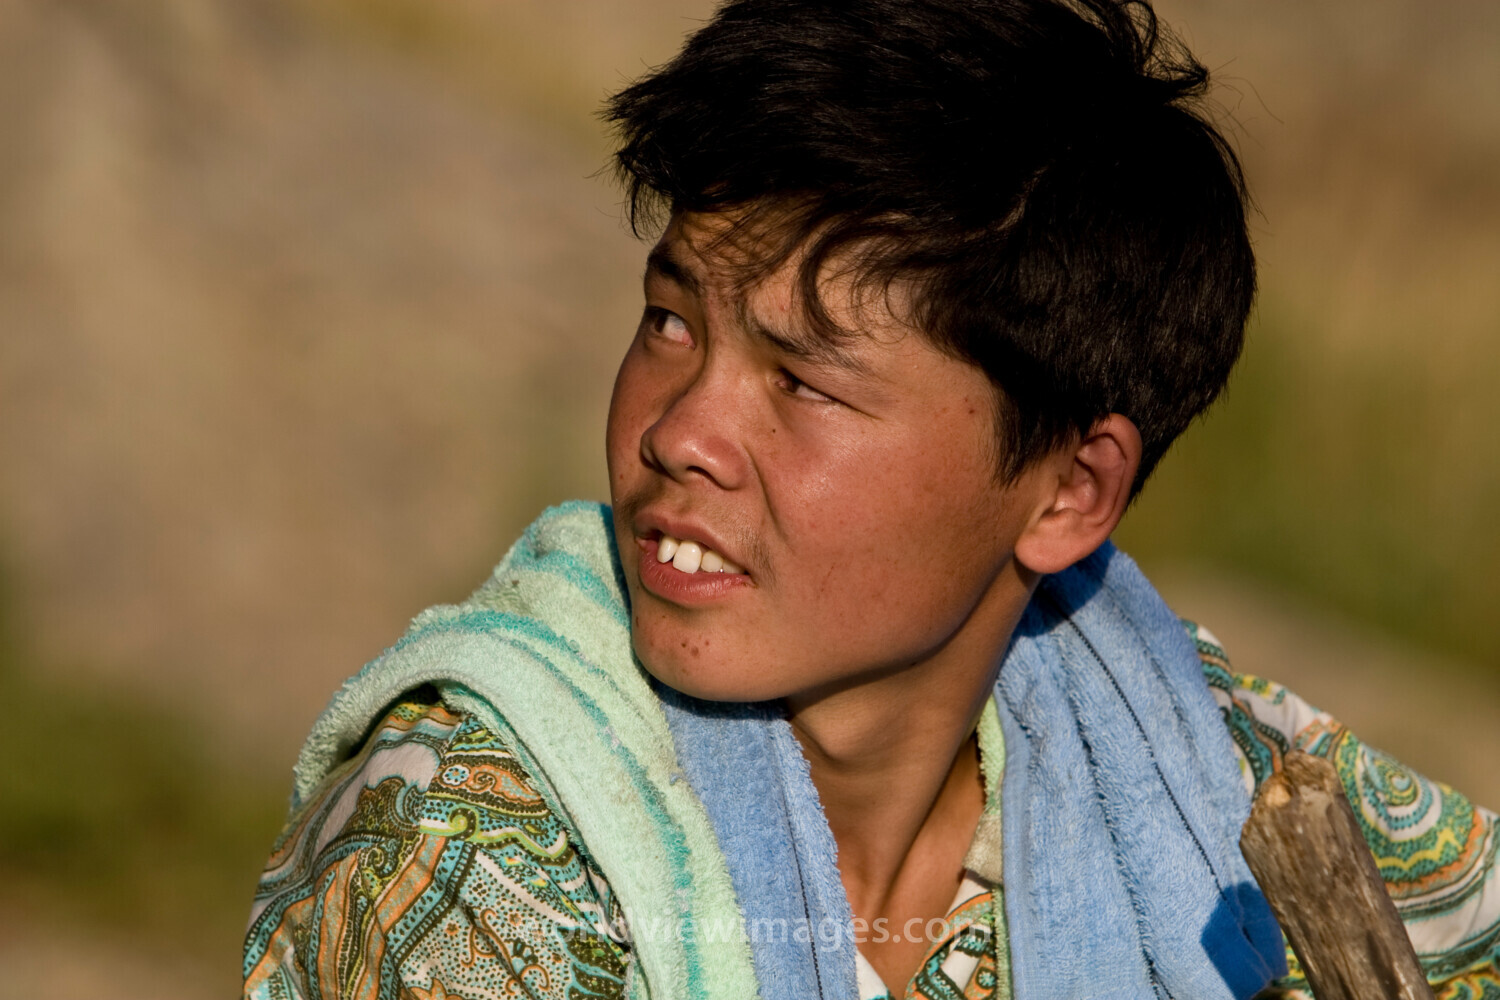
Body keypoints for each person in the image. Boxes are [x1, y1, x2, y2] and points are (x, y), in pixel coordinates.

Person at [242, 1, 1500, 997]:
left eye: (804, 384)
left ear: (1069, 491)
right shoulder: (465, 859)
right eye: (671, 320)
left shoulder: (1194, 783)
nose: (681, 432)